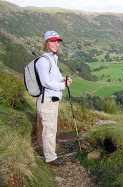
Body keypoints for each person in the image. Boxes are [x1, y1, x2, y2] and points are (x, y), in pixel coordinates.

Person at [36, 31, 72, 166]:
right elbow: (46, 82)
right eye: (52, 41)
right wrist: (63, 85)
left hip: (51, 101)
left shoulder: (52, 59)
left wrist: (63, 79)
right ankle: (50, 158)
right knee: (50, 130)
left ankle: (50, 152)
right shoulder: (43, 61)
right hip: (47, 102)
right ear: (46, 43)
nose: (56, 44)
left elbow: (53, 78)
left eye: (57, 41)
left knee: (50, 129)